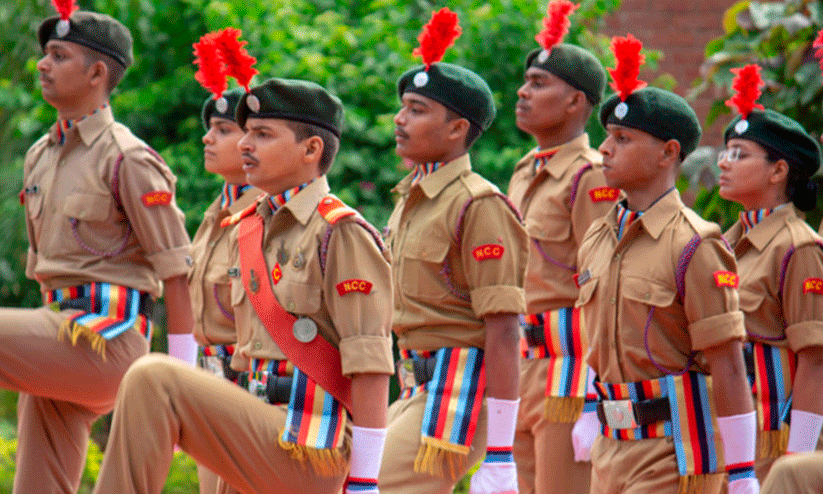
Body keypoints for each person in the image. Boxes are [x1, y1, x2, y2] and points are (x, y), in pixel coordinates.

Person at [93, 77, 394, 494]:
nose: (245, 145)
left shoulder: (339, 233)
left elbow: (371, 364)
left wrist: (364, 481)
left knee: (155, 378)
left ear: (312, 150)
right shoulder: (251, 227)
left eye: (263, 134)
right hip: (259, 423)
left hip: (309, 442)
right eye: (247, 132)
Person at [3, 6, 194, 493]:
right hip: (59, 341)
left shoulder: (126, 158)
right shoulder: (40, 156)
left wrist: (183, 384)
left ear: (96, 73)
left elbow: (177, 271)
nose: (43, 64)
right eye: (45, 53)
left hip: (109, 341)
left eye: (59, 55)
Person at [576, 34, 758, 494]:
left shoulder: (696, 245)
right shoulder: (599, 236)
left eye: (623, 138)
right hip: (609, 448)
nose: (605, 149)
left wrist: (741, 473)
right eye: (606, 137)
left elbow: (729, 365)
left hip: (674, 453)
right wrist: (584, 410)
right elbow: (595, 340)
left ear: (668, 152)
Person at [378, 8, 528, 494]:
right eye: (403, 107)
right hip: (414, 388)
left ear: (457, 129)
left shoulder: (478, 204)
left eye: (418, 110)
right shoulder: (410, 200)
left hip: (457, 396)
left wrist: (501, 454)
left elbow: (504, 329)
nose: (400, 120)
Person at [507, 2, 615, 493]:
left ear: (576, 102)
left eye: (538, 83)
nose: (523, 93)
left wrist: (595, 394)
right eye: (525, 81)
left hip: (569, 372)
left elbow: (603, 284)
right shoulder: (526, 168)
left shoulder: (590, 174)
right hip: (521, 362)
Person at [717, 64, 823, 482]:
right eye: (725, 152)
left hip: (770, 440)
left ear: (779, 170)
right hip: (719, 429)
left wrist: (796, 461)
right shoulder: (722, 245)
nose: (724, 163)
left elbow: (815, 362)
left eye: (739, 154)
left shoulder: (798, 248)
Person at [187, 30, 264, 494]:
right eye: (210, 128)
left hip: (246, 389)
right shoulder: (214, 215)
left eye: (224, 130)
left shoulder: (269, 218)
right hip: (207, 382)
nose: (208, 137)